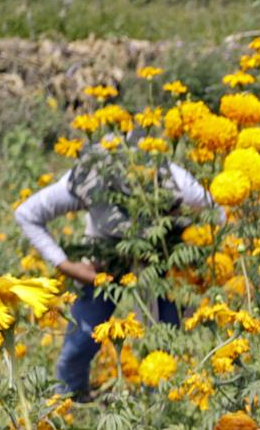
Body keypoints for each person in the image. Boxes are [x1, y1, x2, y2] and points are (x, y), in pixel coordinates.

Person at [14, 144, 213, 399]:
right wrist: (65, 265)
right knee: (80, 342)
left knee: (165, 341)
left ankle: (159, 408)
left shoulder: (179, 183)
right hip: (103, 258)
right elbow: (27, 214)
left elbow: (217, 213)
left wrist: (193, 255)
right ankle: (69, 402)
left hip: (160, 256)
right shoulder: (83, 181)